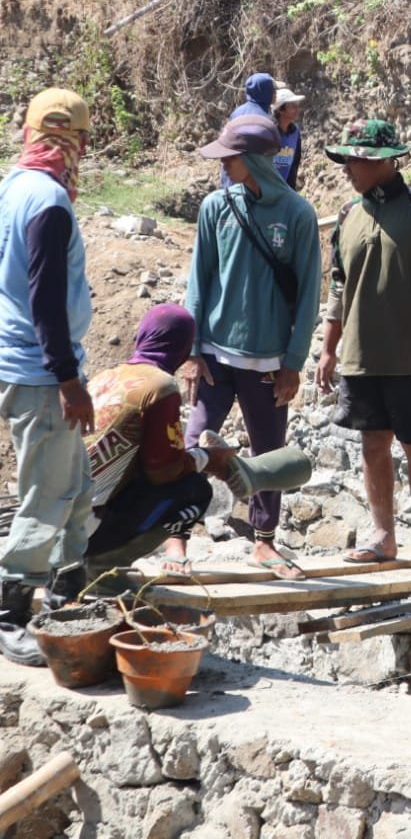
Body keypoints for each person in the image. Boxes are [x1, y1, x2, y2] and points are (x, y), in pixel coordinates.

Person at [177, 113, 322, 581]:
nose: (223, 165)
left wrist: (293, 362)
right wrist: (192, 351)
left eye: (230, 158)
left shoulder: (297, 215)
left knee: (268, 453)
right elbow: (198, 282)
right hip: (214, 357)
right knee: (191, 444)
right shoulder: (216, 207)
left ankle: (264, 541)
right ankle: (176, 537)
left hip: (269, 361)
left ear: (256, 160)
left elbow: (309, 295)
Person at [316, 120, 411, 577]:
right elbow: (338, 287)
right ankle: (383, 536)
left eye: (354, 160)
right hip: (361, 355)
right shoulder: (346, 216)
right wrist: (329, 349)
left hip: (410, 357)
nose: (347, 169)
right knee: (372, 445)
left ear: (382, 162)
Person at [0, 89, 95, 666]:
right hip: (41, 373)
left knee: (76, 486)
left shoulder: (13, 186)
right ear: (78, 142)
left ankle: (67, 589)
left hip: (25, 363)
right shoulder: (50, 201)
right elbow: (45, 298)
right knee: (47, 492)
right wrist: (68, 380)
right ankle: (11, 609)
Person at [81, 306, 227, 575]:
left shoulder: (107, 376)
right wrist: (208, 458)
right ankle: (101, 566)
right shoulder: (160, 387)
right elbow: (164, 472)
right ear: (184, 348)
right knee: (195, 489)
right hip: (86, 529)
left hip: (58, 517)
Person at [219, 72, 277, 189]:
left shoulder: (237, 112)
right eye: (274, 90)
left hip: (230, 177)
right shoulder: (265, 119)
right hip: (248, 182)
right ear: (267, 92)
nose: (276, 94)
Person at [270, 83, 307, 191]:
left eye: (297, 105)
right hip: (267, 190)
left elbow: (294, 163)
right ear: (280, 110)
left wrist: (290, 190)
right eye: (292, 106)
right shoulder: (269, 132)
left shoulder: (295, 132)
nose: (297, 109)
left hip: (284, 189)